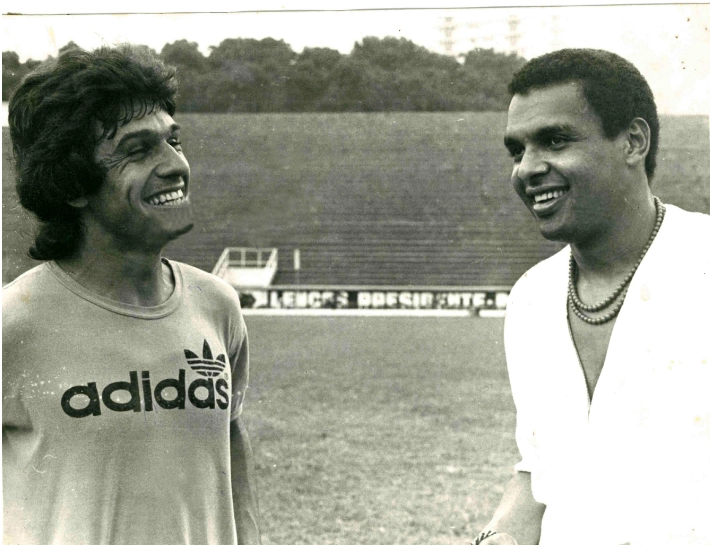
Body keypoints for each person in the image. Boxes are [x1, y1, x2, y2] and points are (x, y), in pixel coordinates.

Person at [2, 45, 262, 545]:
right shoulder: (14, 325)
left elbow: (229, 439)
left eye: (173, 140)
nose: (175, 164)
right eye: (139, 149)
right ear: (72, 183)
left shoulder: (217, 306)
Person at [472, 49, 710, 545]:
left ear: (633, 142)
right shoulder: (531, 299)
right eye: (517, 151)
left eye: (554, 141)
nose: (527, 169)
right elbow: (540, 473)